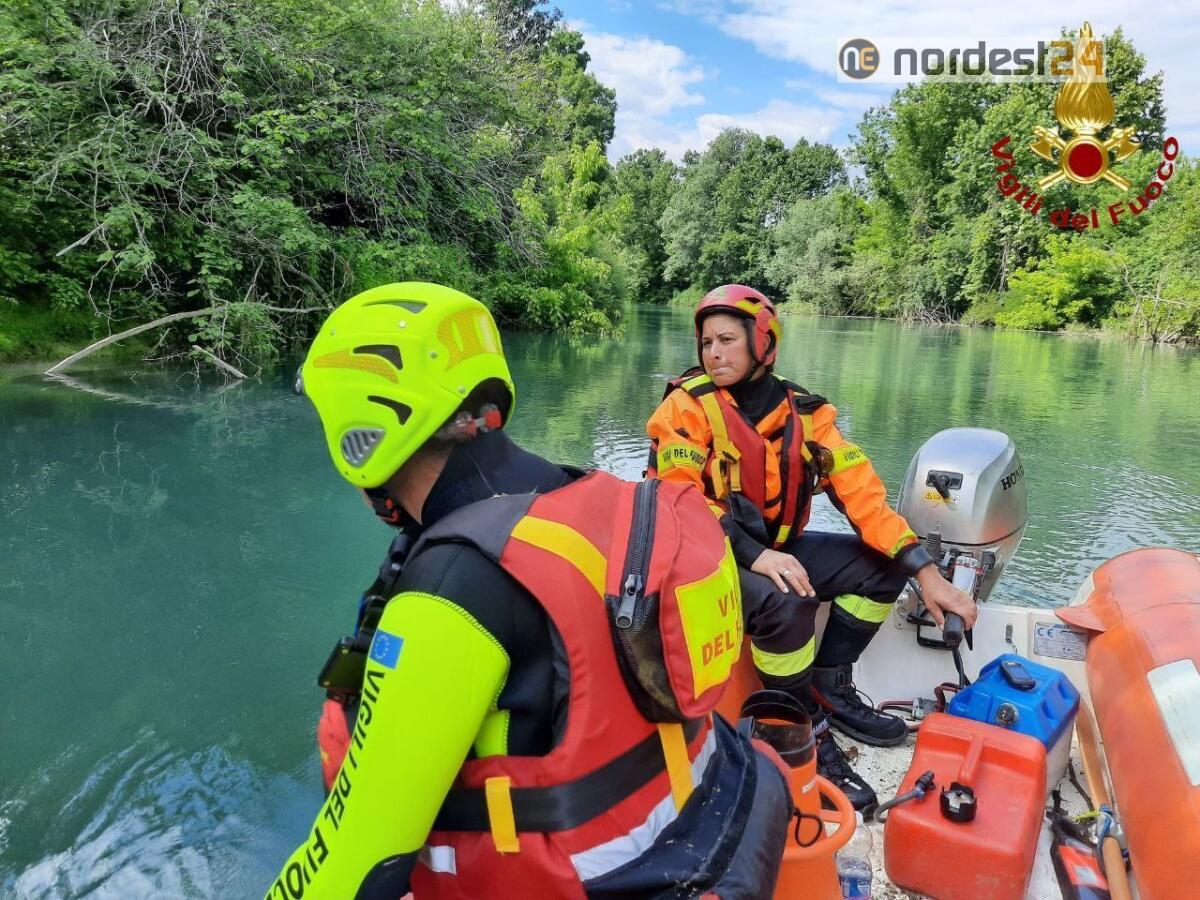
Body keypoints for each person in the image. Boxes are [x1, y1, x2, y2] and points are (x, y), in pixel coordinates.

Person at [269, 281, 792, 900]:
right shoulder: (600, 497)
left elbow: (355, 864)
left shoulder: (453, 584)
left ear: (363, 431)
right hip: (703, 835)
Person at [646, 284, 977, 810]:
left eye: (728, 340)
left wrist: (923, 569)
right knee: (787, 600)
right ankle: (803, 732)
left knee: (882, 569)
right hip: (702, 559)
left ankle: (829, 686)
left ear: (764, 344)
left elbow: (863, 496)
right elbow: (679, 501)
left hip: (774, 549)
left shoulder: (808, 415)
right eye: (707, 341)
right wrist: (758, 556)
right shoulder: (685, 408)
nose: (714, 352)